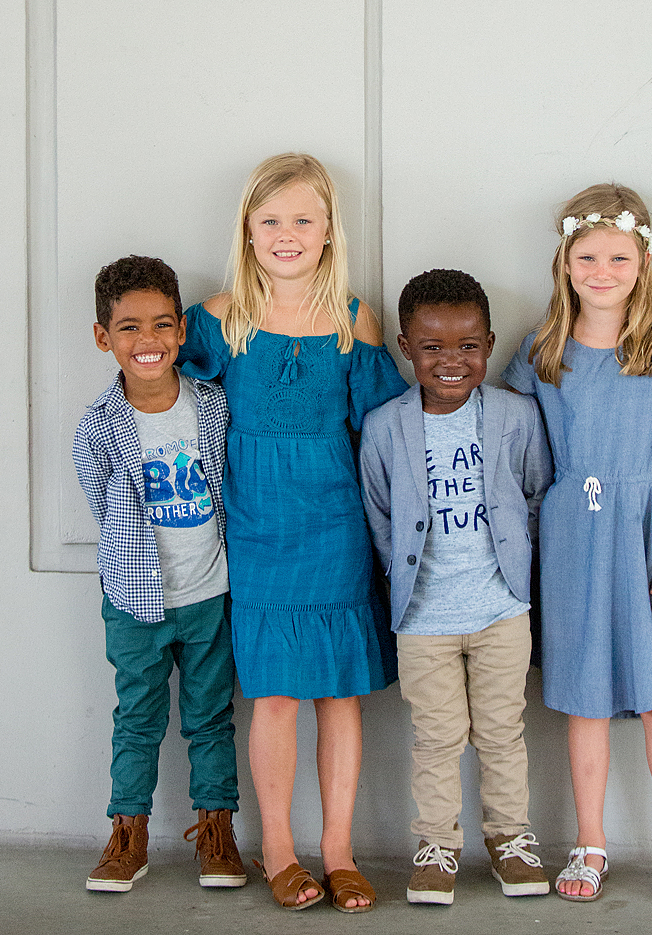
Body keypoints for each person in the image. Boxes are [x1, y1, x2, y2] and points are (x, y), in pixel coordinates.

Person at [177, 153, 406, 912]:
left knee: (339, 693)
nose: (287, 233)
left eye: (303, 219)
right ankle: (278, 846)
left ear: (329, 229)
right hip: (256, 527)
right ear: (247, 229)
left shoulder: (352, 318)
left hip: (336, 524)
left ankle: (338, 850)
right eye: (271, 219)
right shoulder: (218, 318)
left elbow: (384, 427)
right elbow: (167, 397)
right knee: (274, 693)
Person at [503, 185, 652, 904]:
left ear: (643, 262)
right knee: (585, 698)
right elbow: (517, 445)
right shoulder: (543, 349)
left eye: (618, 257)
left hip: (650, 536)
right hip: (573, 538)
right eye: (588, 257)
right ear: (565, 262)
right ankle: (589, 842)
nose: (602, 271)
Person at [360, 269, 553, 906]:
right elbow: (380, 514)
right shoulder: (385, 426)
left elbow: (534, 496)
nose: (452, 361)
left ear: (490, 344)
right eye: (433, 347)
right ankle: (437, 844)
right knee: (437, 738)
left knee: (502, 732)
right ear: (405, 347)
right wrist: (402, 582)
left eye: (469, 346)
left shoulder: (515, 415)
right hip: (424, 619)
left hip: (502, 611)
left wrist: (518, 578)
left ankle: (510, 838)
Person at [73, 255, 245, 894]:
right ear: (103, 337)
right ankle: (128, 834)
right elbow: (104, 508)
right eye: (129, 328)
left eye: (162, 324)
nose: (148, 340)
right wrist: (133, 574)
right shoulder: (99, 427)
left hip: (209, 595)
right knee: (138, 719)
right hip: (134, 601)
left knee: (211, 717)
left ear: (182, 331)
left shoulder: (211, 405)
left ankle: (217, 831)